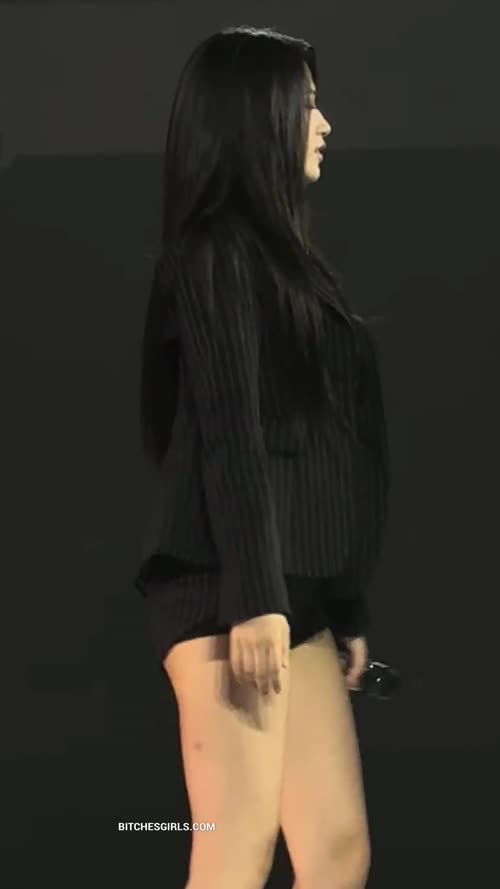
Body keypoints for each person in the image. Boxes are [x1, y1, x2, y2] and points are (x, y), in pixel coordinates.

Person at [135, 25, 391, 889]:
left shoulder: (297, 269)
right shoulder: (212, 254)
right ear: (260, 116)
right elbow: (229, 432)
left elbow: (333, 451)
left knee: (337, 850)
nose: (324, 124)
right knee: (235, 851)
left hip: (296, 593)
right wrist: (254, 599)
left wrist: (342, 603)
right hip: (230, 592)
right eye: (307, 105)